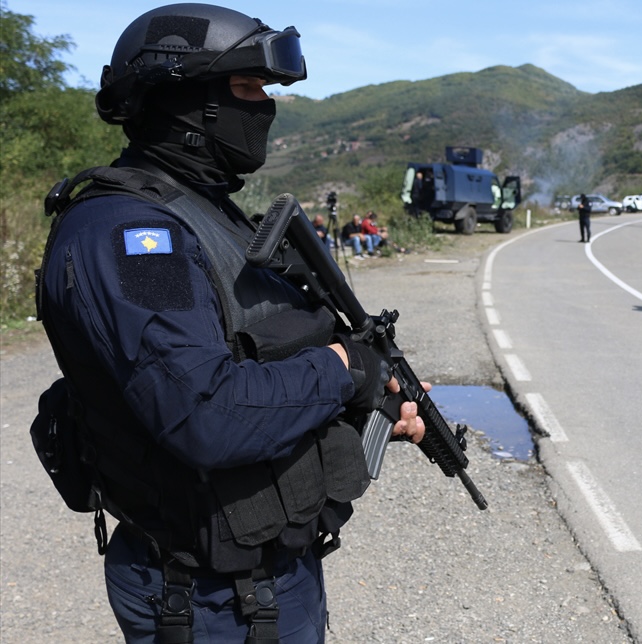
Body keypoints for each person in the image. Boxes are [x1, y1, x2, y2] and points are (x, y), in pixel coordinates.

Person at [34, 5, 426, 642]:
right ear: (184, 101)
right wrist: (344, 368)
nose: (264, 107)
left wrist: (371, 393)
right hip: (204, 597)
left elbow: (266, 354)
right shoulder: (134, 236)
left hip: (263, 573)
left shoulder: (209, 214)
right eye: (248, 90)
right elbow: (205, 414)